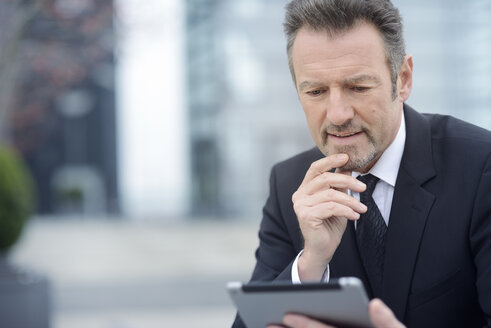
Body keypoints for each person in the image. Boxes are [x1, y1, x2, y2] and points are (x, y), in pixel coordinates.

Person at [232, 0, 491, 327]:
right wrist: (310, 263)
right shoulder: (289, 185)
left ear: (404, 79)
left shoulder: (480, 168)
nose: (338, 114)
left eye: (358, 87)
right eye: (315, 91)